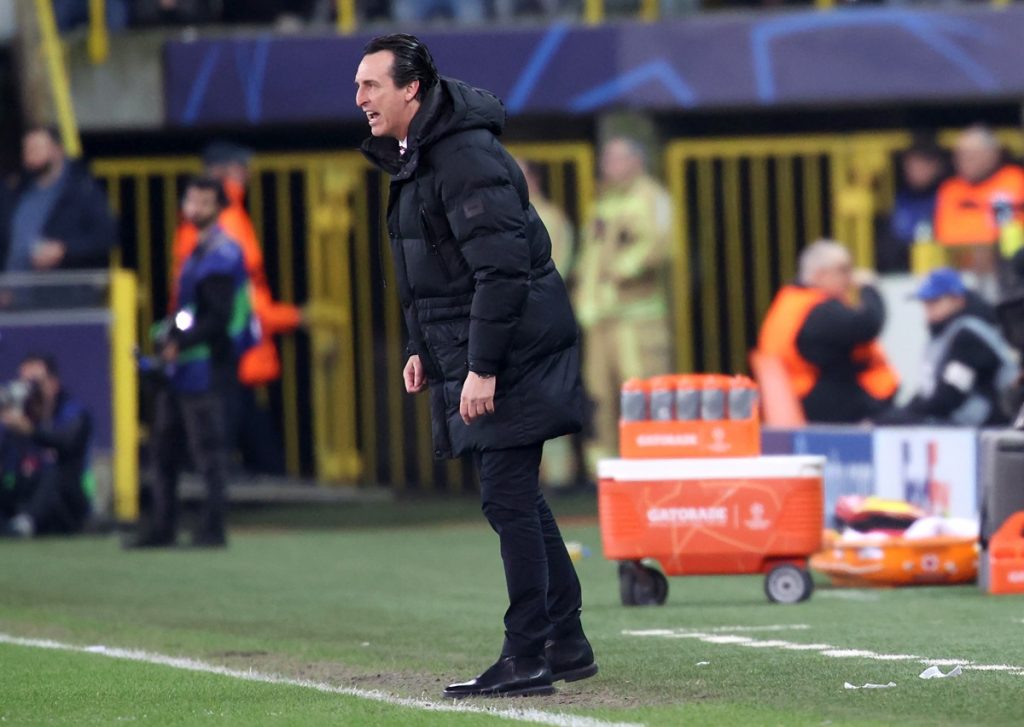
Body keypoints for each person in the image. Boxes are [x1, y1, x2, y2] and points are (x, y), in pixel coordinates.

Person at [357, 33, 595, 698]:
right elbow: (429, 270)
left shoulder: (462, 154)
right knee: (513, 494)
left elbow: (500, 267)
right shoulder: (422, 153)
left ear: (411, 89)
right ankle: (565, 638)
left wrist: (483, 367)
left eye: (371, 85)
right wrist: (418, 347)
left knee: (506, 494)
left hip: (512, 348)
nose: (359, 98)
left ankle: (527, 654)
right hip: (483, 346)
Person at [129, 177, 254, 548]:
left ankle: (212, 529)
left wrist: (176, 342)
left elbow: (216, 319)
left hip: (204, 367)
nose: (195, 207)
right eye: (191, 200)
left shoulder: (220, 254)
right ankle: (163, 527)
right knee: (164, 452)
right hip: (183, 366)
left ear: (218, 207)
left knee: (208, 454)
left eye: (204, 201)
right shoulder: (199, 249)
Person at [172, 141, 302, 475]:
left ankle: (250, 477)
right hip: (227, 337)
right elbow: (243, 291)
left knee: (234, 416)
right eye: (239, 169)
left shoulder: (208, 221)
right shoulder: (227, 220)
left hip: (212, 335)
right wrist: (292, 317)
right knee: (224, 418)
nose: (246, 176)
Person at [573, 136, 672, 474]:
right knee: (600, 398)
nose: (608, 165)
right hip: (601, 319)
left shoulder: (652, 197)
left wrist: (619, 272)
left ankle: (651, 467)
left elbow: (658, 246)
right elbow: (592, 255)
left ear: (636, 160)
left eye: (616, 158)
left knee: (641, 393)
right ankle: (605, 474)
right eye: (607, 158)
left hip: (637, 321)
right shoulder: (605, 201)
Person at [757, 240, 899, 423]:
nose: (850, 278)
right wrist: (869, 288)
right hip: (819, 404)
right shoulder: (818, 310)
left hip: (797, 399)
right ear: (820, 274)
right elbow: (867, 324)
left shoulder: (791, 302)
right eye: (843, 270)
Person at [883, 268, 1017, 426]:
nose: (928, 310)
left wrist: (897, 419)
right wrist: (892, 417)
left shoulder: (969, 335)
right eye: (925, 303)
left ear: (957, 300)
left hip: (995, 430)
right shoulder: (944, 334)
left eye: (934, 301)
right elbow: (929, 392)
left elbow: (949, 397)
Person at [0, 126, 116, 273]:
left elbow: (106, 235)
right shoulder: (15, 191)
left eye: (36, 149)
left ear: (57, 150)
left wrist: (64, 250)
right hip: (17, 288)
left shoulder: (82, 190)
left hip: (63, 287)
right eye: (27, 149)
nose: (30, 155)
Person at [0, 354, 92, 538]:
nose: (29, 389)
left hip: (64, 505)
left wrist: (32, 431)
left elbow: (67, 443)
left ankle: (26, 523)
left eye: (35, 382)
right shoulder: (16, 418)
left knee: (53, 472)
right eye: (24, 382)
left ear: (53, 384)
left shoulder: (74, 413)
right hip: (22, 495)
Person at [933, 125, 1024, 287]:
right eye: (959, 155)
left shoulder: (1014, 181)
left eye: (971, 155)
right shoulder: (950, 189)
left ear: (992, 154)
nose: (963, 161)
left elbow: (1009, 232)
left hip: (1009, 272)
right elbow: (946, 235)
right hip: (960, 272)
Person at [876, 138, 947, 273]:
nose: (916, 169)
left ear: (937, 166)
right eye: (912, 164)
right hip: (901, 271)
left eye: (923, 164)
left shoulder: (948, 194)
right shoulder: (898, 198)